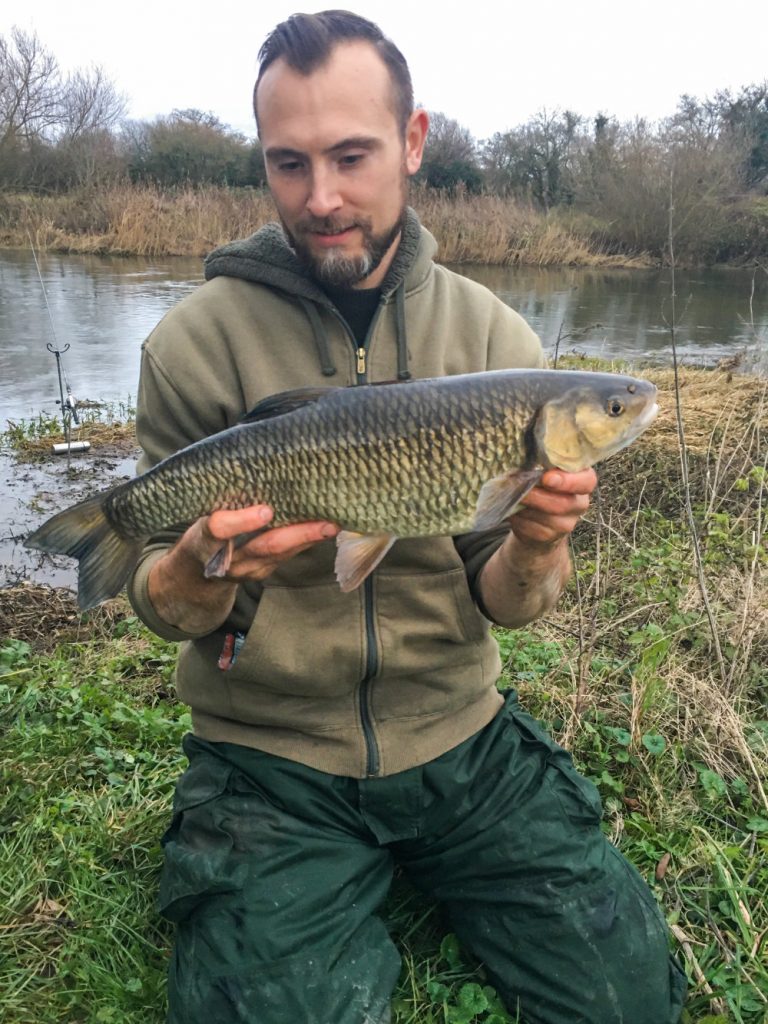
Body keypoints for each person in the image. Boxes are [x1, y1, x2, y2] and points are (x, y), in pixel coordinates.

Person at [128, 11, 686, 1024]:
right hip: (272, 758)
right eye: (289, 163)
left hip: (461, 739)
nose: (322, 196)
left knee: (629, 998)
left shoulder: (490, 337)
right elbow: (163, 606)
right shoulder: (191, 347)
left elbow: (512, 603)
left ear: (414, 141)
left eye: (352, 156)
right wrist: (193, 570)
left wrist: (537, 542)